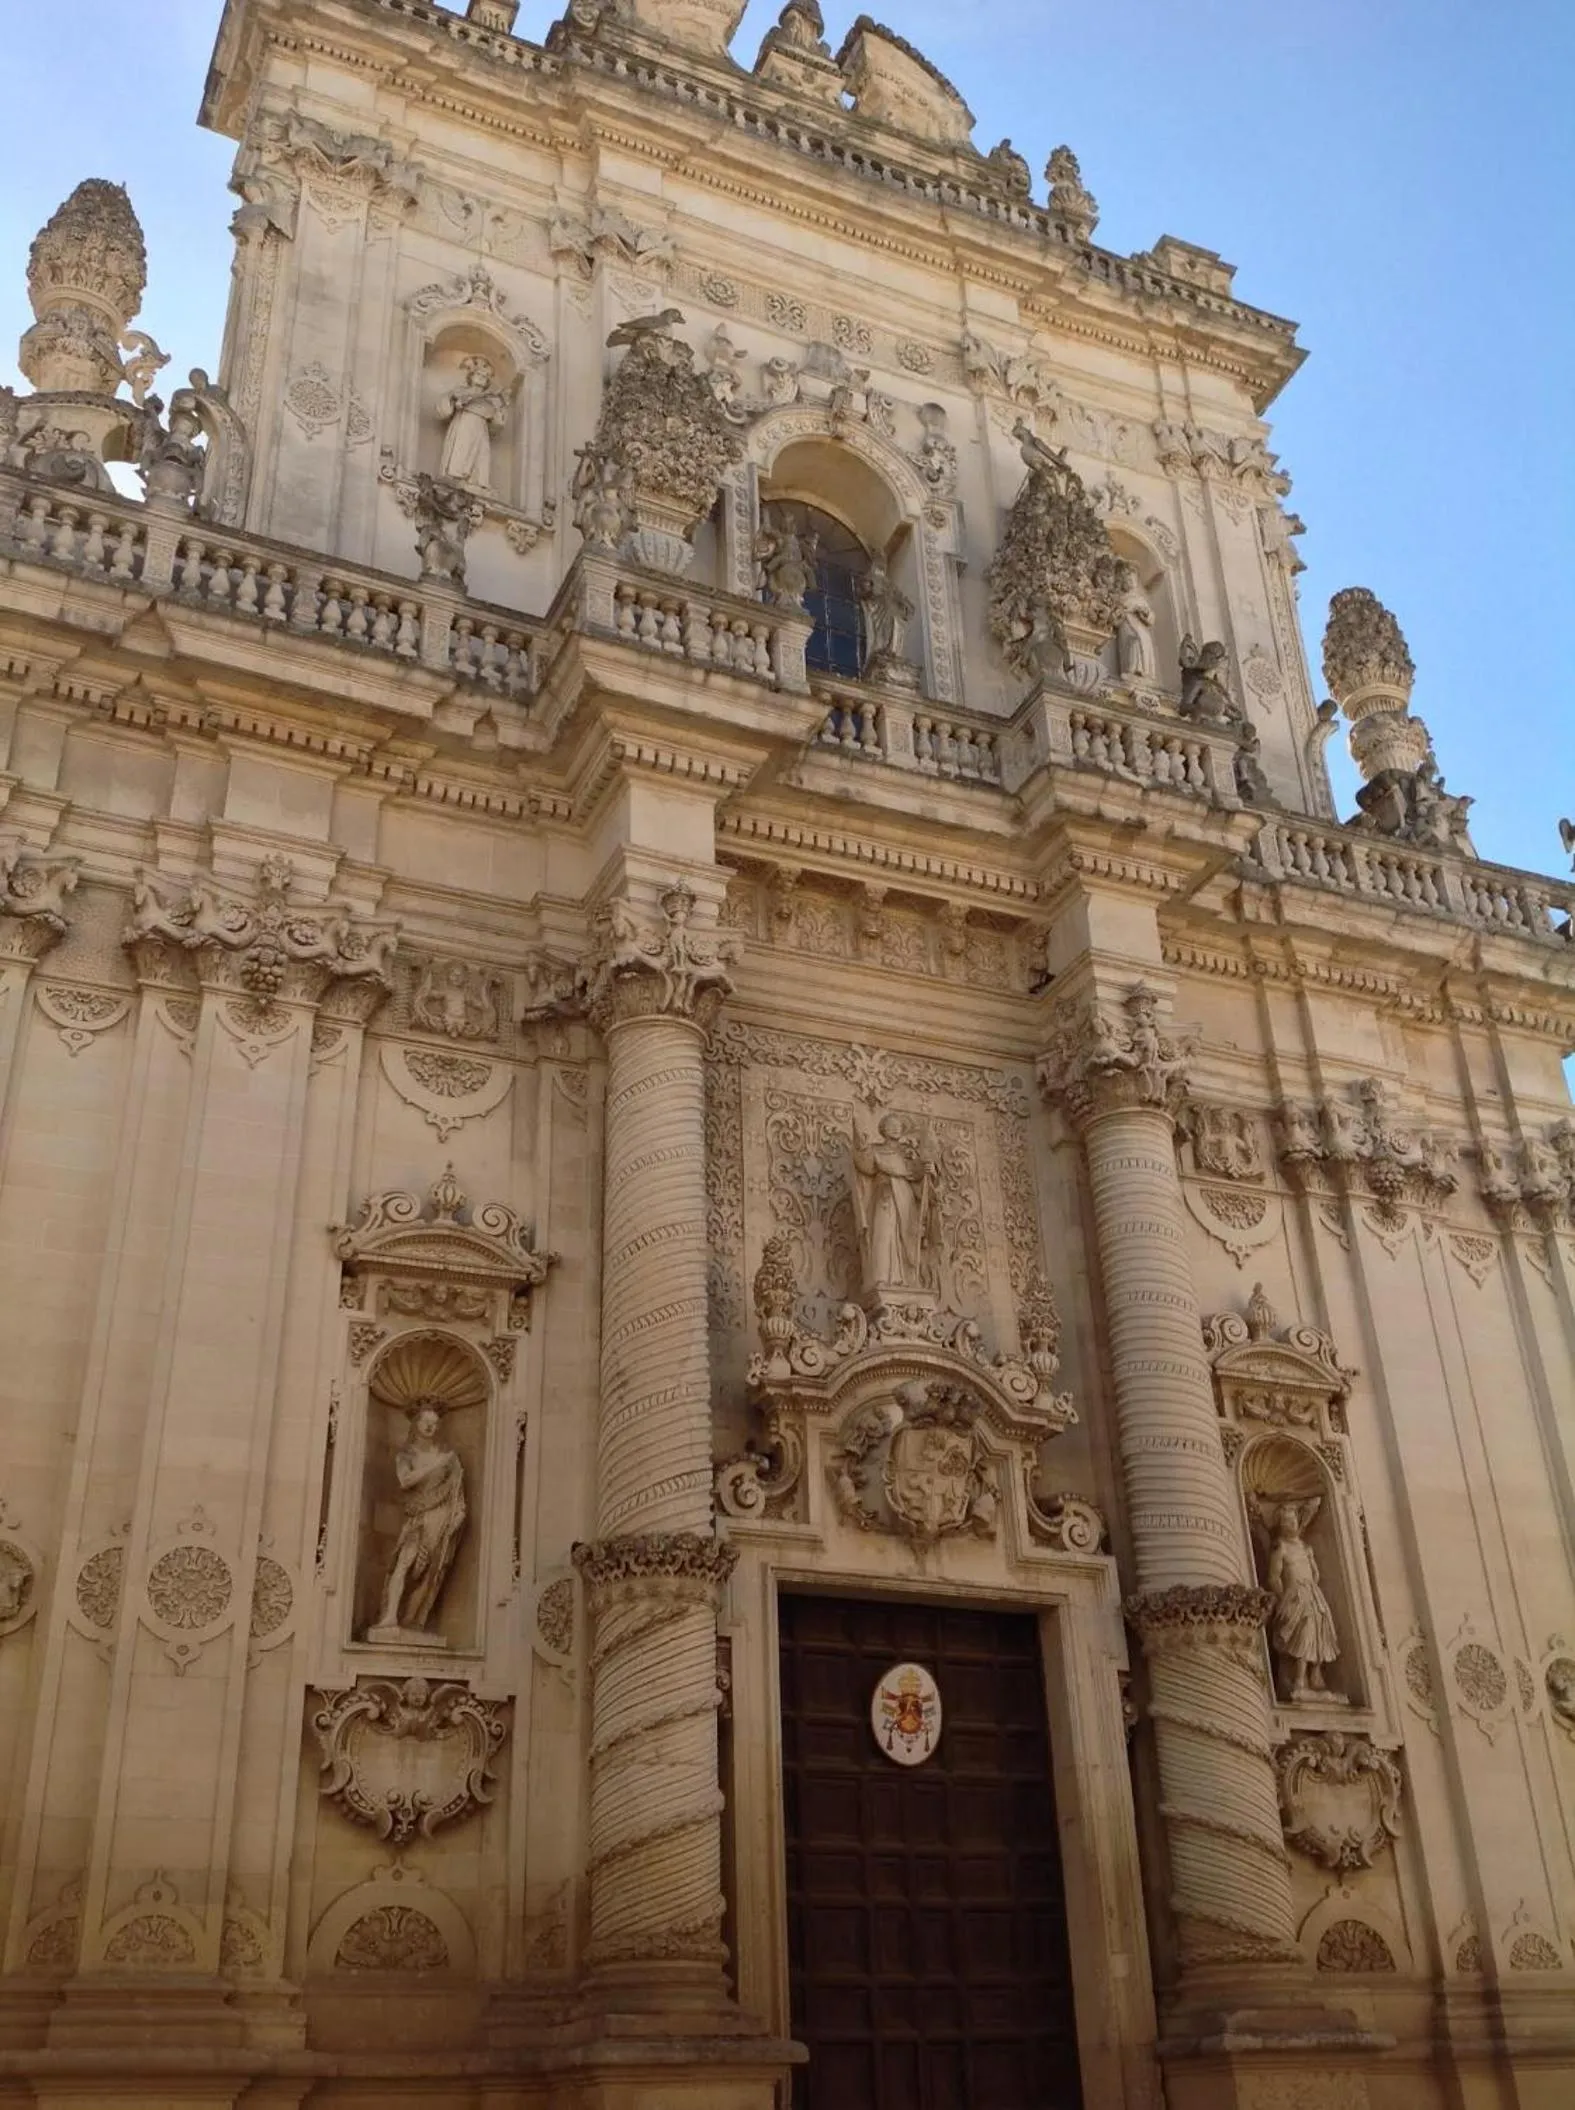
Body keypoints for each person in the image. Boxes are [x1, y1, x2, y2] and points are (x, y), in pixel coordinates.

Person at [370, 1405, 466, 1640]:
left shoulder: (450, 1459)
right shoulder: (407, 1454)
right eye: (426, 1422)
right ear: (416, 1424)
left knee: (432, 1570)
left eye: (434, 1423)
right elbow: (405, 1480)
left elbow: (457, 1491)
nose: (430, 1427)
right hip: (419, 1517)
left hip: (441, 1518)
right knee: (405, 1561)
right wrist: (435, 1465)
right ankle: (390, 1615)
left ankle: (413, 1619)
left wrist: (459, 1514)